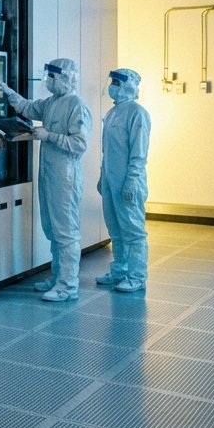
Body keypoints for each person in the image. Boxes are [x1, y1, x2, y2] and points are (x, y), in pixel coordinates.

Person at [0, 58, 91, 302]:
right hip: (49, 175)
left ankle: (68, 286)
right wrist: (8, 92)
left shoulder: (76, 105)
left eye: (51, 76)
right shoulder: (51, 103)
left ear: (65, 78)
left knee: (66, 231)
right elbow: (27, 107)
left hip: (65, 179)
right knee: (52, 229)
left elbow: (80, 144)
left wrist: (49, 136)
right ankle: (58, 276)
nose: (47, 80)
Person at [96, 68, 151, 292]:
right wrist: (103, 176)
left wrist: (131, 180)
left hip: (128, 182)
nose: (112, 86)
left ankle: (137, 276)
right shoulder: (112, 113)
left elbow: (139, 152)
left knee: (134, 231)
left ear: (129, 86)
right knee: (115, 229)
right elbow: (107, 150)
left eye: (117, 83)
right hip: (111, 181)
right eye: (113, 82)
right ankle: (119, 270)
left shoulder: (137, 113)